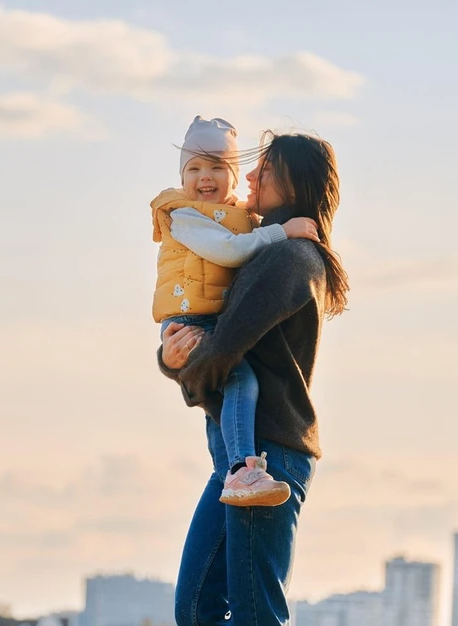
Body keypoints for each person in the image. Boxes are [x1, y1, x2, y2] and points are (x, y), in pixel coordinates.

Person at [158, 131, 349, 625]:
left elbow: (225, 346)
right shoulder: (265, 250)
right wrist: (173, 357)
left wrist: (180, 370)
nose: (247, 176)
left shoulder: (287, 257)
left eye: (264, 169)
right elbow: (215, 341)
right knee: (197, 609)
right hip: (241, 458)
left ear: (293, 182)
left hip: (267, 456)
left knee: (254, 614)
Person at [152, 116, 319, 506]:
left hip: (209, 325)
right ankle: (241, 468)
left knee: (233, 387)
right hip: (189, 318)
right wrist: (282, 230)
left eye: (216, 167)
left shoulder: (270, 242)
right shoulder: (184, 215)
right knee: (240, 381)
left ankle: (235, 471)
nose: (204, 177)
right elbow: (228, 251)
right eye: (193, 169)